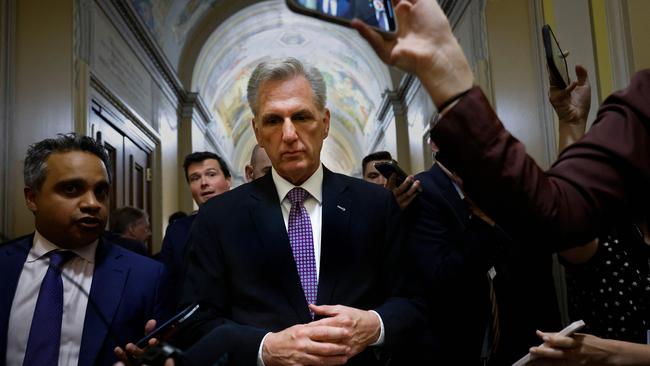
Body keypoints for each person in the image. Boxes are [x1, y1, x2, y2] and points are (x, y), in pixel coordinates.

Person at [352, 1, 650, 364]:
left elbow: (550, 222)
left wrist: (614, 353)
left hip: (525, 331)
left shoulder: (509, 190)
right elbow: (560, 215)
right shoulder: (424, 194)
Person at [172, 57, 423, 365]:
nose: (289, 135)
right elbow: (196, 321)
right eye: (273, 120)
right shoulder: (220, 218)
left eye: (301, 116)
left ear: (325, 122)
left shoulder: (376, 206)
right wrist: (264, 348)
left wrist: (375, 326)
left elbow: (414, 302)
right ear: (258, 131)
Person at [0, 133, 170, 366]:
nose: (92, 203)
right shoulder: (4, 264)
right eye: (71, 189)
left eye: (101, 191)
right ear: (32, 198)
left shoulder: (147, 278)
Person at [404, 127, 560, 365]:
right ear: (435, 144)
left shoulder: (500, 182)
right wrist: (481, 219)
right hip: (461, 343)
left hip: (520, 335)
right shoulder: (421, 190)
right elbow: (440, 277)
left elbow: (533, 254)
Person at [157, 151, 231, 304]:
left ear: (228, 181)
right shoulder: (177, 231)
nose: (204, 183)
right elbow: (166, 285)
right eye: (195, 178)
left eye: (211, 174)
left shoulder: (250, 221)